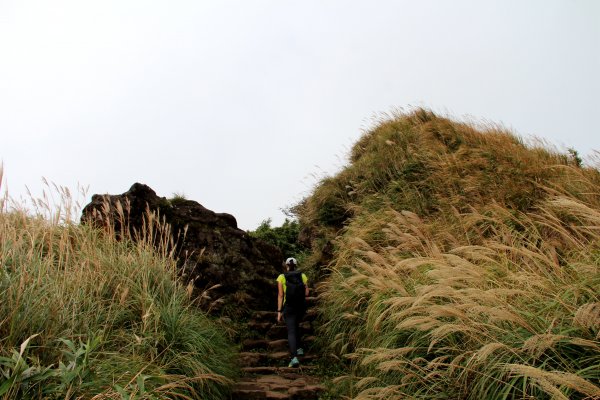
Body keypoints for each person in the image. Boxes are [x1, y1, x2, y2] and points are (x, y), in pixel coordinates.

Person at [276, 257, 309, 368]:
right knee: (296, 326)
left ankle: (294, 358)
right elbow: (307, 293)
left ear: (286, 265)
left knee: (291, 331)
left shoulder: (281, 277)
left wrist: (279, 311)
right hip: (300, 307)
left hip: (288, 307)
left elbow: (281, 295)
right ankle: (299, 349)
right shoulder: (302, 276)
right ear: (296, 265)